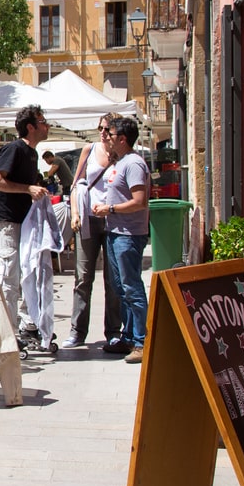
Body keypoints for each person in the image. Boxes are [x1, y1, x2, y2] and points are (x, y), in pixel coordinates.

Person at [92, 117, 150, 364]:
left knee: (132, 287)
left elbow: (140, 201)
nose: (106, 136)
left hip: (129, 234)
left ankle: (142, 341)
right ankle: (128, 336)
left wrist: (110, 209)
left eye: (111, 133)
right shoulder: (120, 161)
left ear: (123, 139)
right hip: (115, 232)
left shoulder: (134, 164)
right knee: (120, 287)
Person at [0, 105, 51, 328]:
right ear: (31, 127)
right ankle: (7, 331)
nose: (47, 126)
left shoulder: (32, 153)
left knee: (27, 272)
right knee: (9, 276)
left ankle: (24, 322)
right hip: (6, 220)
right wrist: (28, 189)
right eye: (43, 122)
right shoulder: (14, 148)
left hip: (22, 221)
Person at [64, 114, 123, 349]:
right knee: (83, 276)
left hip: (113, 220)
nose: (102, 132)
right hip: (87, 219)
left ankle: (113, 332)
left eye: (107, 129)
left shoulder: (124, 155)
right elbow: (76, 184)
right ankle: (77, 332)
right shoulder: (89, 150)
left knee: (113, 279)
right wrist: (76, 213)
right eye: (100, 128)